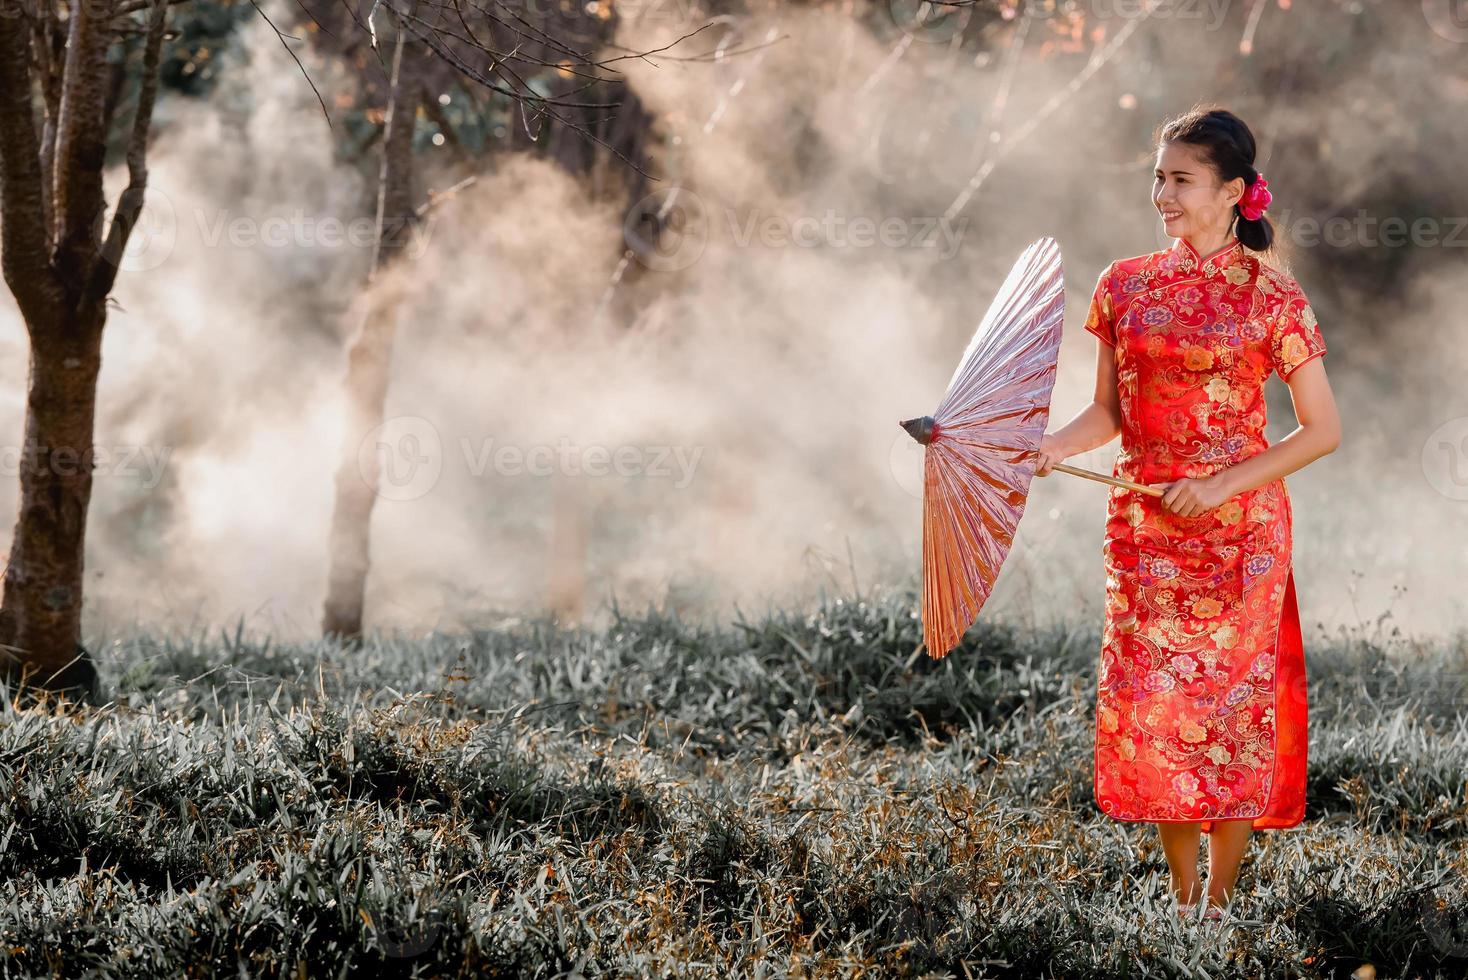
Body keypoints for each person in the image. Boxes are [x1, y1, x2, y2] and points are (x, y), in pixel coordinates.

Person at [1036, 105, 1342, 921]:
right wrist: (1051, 447)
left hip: (1240, 537)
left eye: (1181, 179)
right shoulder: (1123, 284)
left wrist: (1222, 484)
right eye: (1158, 177)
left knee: (1231, 710)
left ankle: (1220, 903)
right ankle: (1179, 905)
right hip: (1145, 529)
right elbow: (1108, 414)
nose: (1161, 194)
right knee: (1159, 711)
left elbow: (1323, 430)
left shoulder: (1273, 295)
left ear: (1233, 191)